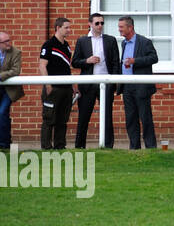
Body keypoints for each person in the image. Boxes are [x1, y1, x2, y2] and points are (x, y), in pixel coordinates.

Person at [71, 12, 119, 148]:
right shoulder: (82, 41)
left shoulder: (110, 40)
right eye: (97, 23)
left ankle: (108, 146)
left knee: (107, 116)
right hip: (88, 84)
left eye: (102, 23)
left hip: (106, 82)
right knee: (84, 117)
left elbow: (116, 62)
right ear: (90, 24)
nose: (100, 26)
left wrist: (113, 82)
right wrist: (88, 60)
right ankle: (79, 146)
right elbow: (75, 62)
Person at [117, 16, 159, 150]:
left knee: (145, 117)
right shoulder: (124, 43)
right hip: (127, 85)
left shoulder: (144, 41)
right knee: (130, 118)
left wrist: (135, 61)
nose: (119, 30)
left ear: (130, 27)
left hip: (141, 85)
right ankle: (134, 147)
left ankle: (151, 147)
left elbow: (154, 58)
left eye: (121, 27)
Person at [38, 16, 75, 150]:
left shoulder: (66, 46)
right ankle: (46, 147)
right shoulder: (48, 45)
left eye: (69, 27)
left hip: (66, 89)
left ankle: (60, 146)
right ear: (58, 28)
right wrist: (48, 84)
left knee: (62, 119)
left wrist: (73, 86)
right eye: (66, 27)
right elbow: (42, 65)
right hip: (53, 88)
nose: (69, 30)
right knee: (49, 118)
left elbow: (66, 67)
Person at [0, 31, 23, 149]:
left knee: (2, 113)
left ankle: (4, 144)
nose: (9, 43)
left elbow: (15, 70)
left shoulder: (16, 52)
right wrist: (1, 74)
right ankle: (1, 143)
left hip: (9, 90)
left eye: (9, 40)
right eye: (5, 42)